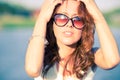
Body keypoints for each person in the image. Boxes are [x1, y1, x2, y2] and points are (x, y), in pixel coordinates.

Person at [25, 0, 120, 80]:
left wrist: (97, 17)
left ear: (84, 27)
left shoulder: (90, 57)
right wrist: (42, 18)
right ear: (52, 23)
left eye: (77, 20)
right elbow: (33, 70)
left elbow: (112, 61)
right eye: (62, 18)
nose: (69, 24)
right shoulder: (40, 53)